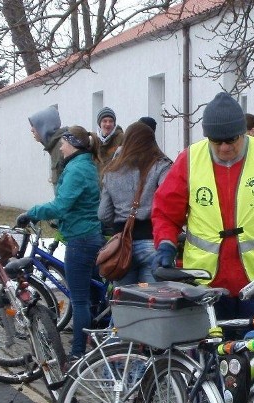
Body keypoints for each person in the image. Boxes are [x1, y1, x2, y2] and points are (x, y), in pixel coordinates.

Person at [152, 92, 254, 320]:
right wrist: (166, 245)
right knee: (211, 353)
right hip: (206, 282)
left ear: (244, 132)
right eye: (217, 142)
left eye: (232, 140)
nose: (225, 148)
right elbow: (166, 212)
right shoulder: (189, 160)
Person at [16, 125, 105, 363]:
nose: (61, 147)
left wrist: (32, 213)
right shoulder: (84, 165)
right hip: (89, 234)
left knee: (79, 299)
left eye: (64, 142)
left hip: (81, 238)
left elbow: (62, 205)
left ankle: (77, 354)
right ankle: (97, 341)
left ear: (73, 144)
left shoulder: (77, 169)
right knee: (94, 294)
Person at [98, 121, 172, 285]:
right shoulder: (161, 166)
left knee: (125, 303)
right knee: (151, 302)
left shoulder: (111, 171)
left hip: (121, 246)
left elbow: (103, 214)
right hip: (152, 241)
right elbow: (169, 201)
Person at [28, 105, 67, 190]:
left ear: (44, 127)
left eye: (35, 125)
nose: (31, 130)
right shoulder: (55, 145)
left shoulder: (62, 147)